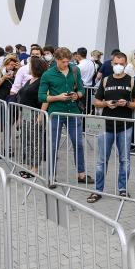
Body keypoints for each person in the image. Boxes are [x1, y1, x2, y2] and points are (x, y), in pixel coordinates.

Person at [89, 52, 135, 202]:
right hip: (106, 126)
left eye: (121, 64)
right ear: (112, 64)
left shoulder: (132, 81)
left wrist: (127, 103)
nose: (118, 66)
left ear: (125, 64)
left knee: (125, 160)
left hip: (125, 126)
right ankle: (98, 190)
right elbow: (96, 102)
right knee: (101, 160)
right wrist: (106, 103)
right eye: (116, 63)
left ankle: (122, 190)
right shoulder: (105, 80)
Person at [40, 47, 89, 186]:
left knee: (78, 143)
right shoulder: (48, 74)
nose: (66, 64)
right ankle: (51, 176)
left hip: (73, 112)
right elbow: (41, 96)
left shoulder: (75, 70)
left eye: (68, 61)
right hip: (55, 113)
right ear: (56, 60)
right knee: (53, 145)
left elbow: (82, 89)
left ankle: (81, 174)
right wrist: (58, 97)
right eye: (63, 62)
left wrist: (77, 95)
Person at [16, 55, 49, 180]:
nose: (28, 68)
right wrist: (20, 116)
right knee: (26, 140)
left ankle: (35, 168)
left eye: (30, 66)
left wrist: (41, 115)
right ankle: (30, 166)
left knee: (35, 142)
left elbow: (45, 98)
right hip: (25, 114)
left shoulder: (42, 81)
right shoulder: (30, 80)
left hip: (35, 114)